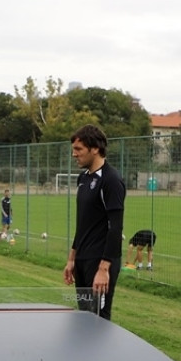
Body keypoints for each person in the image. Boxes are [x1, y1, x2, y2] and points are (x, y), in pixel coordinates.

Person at [63, 124, 125, 320]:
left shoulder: (111, 180)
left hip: (100, 261)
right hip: (82, 259)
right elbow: (83, 224)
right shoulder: (83, 178)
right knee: (84, 317)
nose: (74, 154)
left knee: (98, 319)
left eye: (78, 149)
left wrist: (104, 269)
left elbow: (116, 228)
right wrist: (72, 259)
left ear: (95, 148)